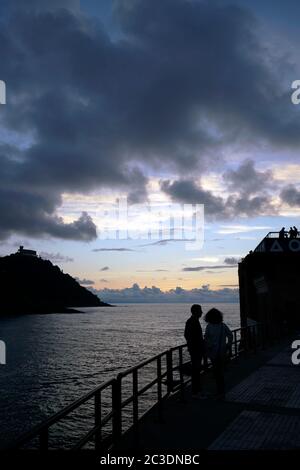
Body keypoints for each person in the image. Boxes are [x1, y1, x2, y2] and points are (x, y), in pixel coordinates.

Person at [204, 308, 233, 398]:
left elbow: (206, 338)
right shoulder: (222, 326)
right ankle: (221, 391)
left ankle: (219, 391)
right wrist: (228, 344)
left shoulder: (209, 326)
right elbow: (230, 335)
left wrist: (209, 345)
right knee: (220, 372)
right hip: (222, 352)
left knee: (216, 372)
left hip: (213, 352)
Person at [184, 304, 205, 398]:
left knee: (196, 370)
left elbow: (186, 335)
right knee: (196, 371)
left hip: (195, 349)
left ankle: (197, 391)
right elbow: (189, 335)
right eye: (200, 310)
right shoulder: (193, 321)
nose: (202, 312)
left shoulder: (192, 321)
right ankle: (196, 392)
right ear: (196, 312)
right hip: (196, 349)